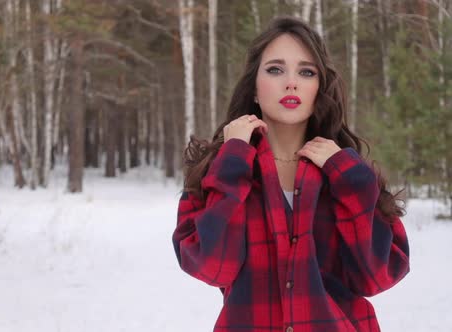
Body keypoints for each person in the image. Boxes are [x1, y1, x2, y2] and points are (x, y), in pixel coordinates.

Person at [172, 16, 410, 332]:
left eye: (306, 72)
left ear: (319, 88)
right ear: (254, 89)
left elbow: (378, 276)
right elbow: (212, 268)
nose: (291, 82)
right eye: (275, 69)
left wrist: (351, 181)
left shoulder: (347, 173)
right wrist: (232, 164)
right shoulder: (222, 170)